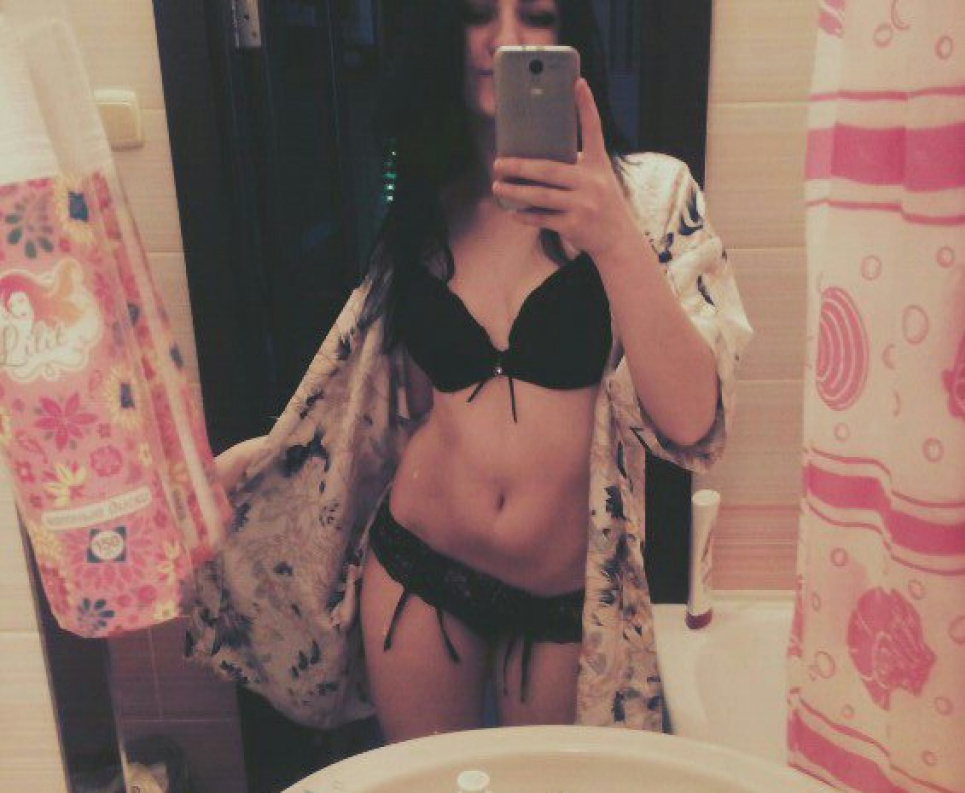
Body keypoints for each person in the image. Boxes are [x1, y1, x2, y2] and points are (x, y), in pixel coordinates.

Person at [190, 0, 753, 741]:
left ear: (568, 40)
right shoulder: (430, 203)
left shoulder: (650, 196)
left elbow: (693, 418)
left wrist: (613, 237)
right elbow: (370, 397)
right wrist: (270, 456)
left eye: (538, 16)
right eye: (477, 14)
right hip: (419, 570)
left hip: (562, 600)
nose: (507, 40)